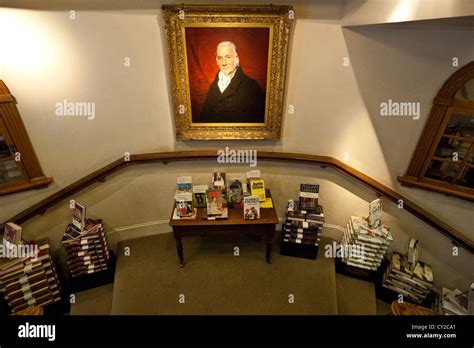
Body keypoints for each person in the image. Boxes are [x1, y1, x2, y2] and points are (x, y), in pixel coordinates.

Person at [197, 41, 265, 123]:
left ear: (236, 59)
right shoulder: (213, 86)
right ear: (216, 61)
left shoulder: (252, 86)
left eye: (228, 57)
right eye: (220, 58)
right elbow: (203, 119)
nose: (224, 63)